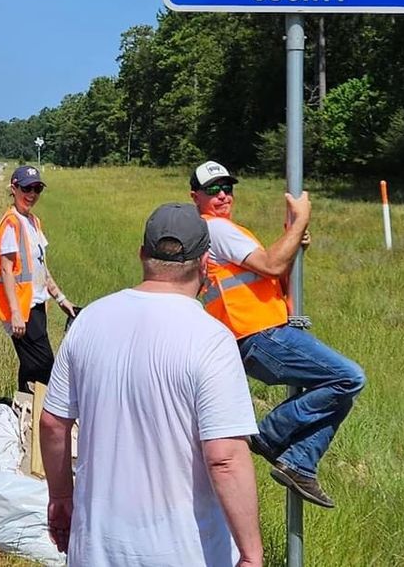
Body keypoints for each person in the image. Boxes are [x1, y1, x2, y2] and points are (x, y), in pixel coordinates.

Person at [39, 203, 264, 567]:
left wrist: (61, 496)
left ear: (143, 254)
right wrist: (252, 553)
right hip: (185, 551)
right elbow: (224, 458)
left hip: (97, 548)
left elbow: (53, 423)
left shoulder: (89, 320)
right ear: (205, 262)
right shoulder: (212, 339)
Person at [190, 160, 365, 509]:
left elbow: (274, 275)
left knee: (339, 392)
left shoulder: (222, 231)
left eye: (228, 187)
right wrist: (299, 221)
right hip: (260, 335)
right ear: (195, 197)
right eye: (213, 190)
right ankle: (270, 434)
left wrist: (295, 241)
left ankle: (299, 463)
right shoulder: (216, 230)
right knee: (349, 377)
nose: (223, 195)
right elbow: (271, 263)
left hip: (262, 335)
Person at [0, 165, 77, 392]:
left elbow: (41, 268)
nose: (31, 194)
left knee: (31, 368)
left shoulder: (33, 222)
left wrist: (61, 299)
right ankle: (37, 418)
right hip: (22, 310)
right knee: (44, 368)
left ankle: (22, 413)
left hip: (37, 305)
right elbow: (6, 270)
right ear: (13, 188)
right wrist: (15, 313)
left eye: (37, 188)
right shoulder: (11, 223)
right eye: (26, 188)